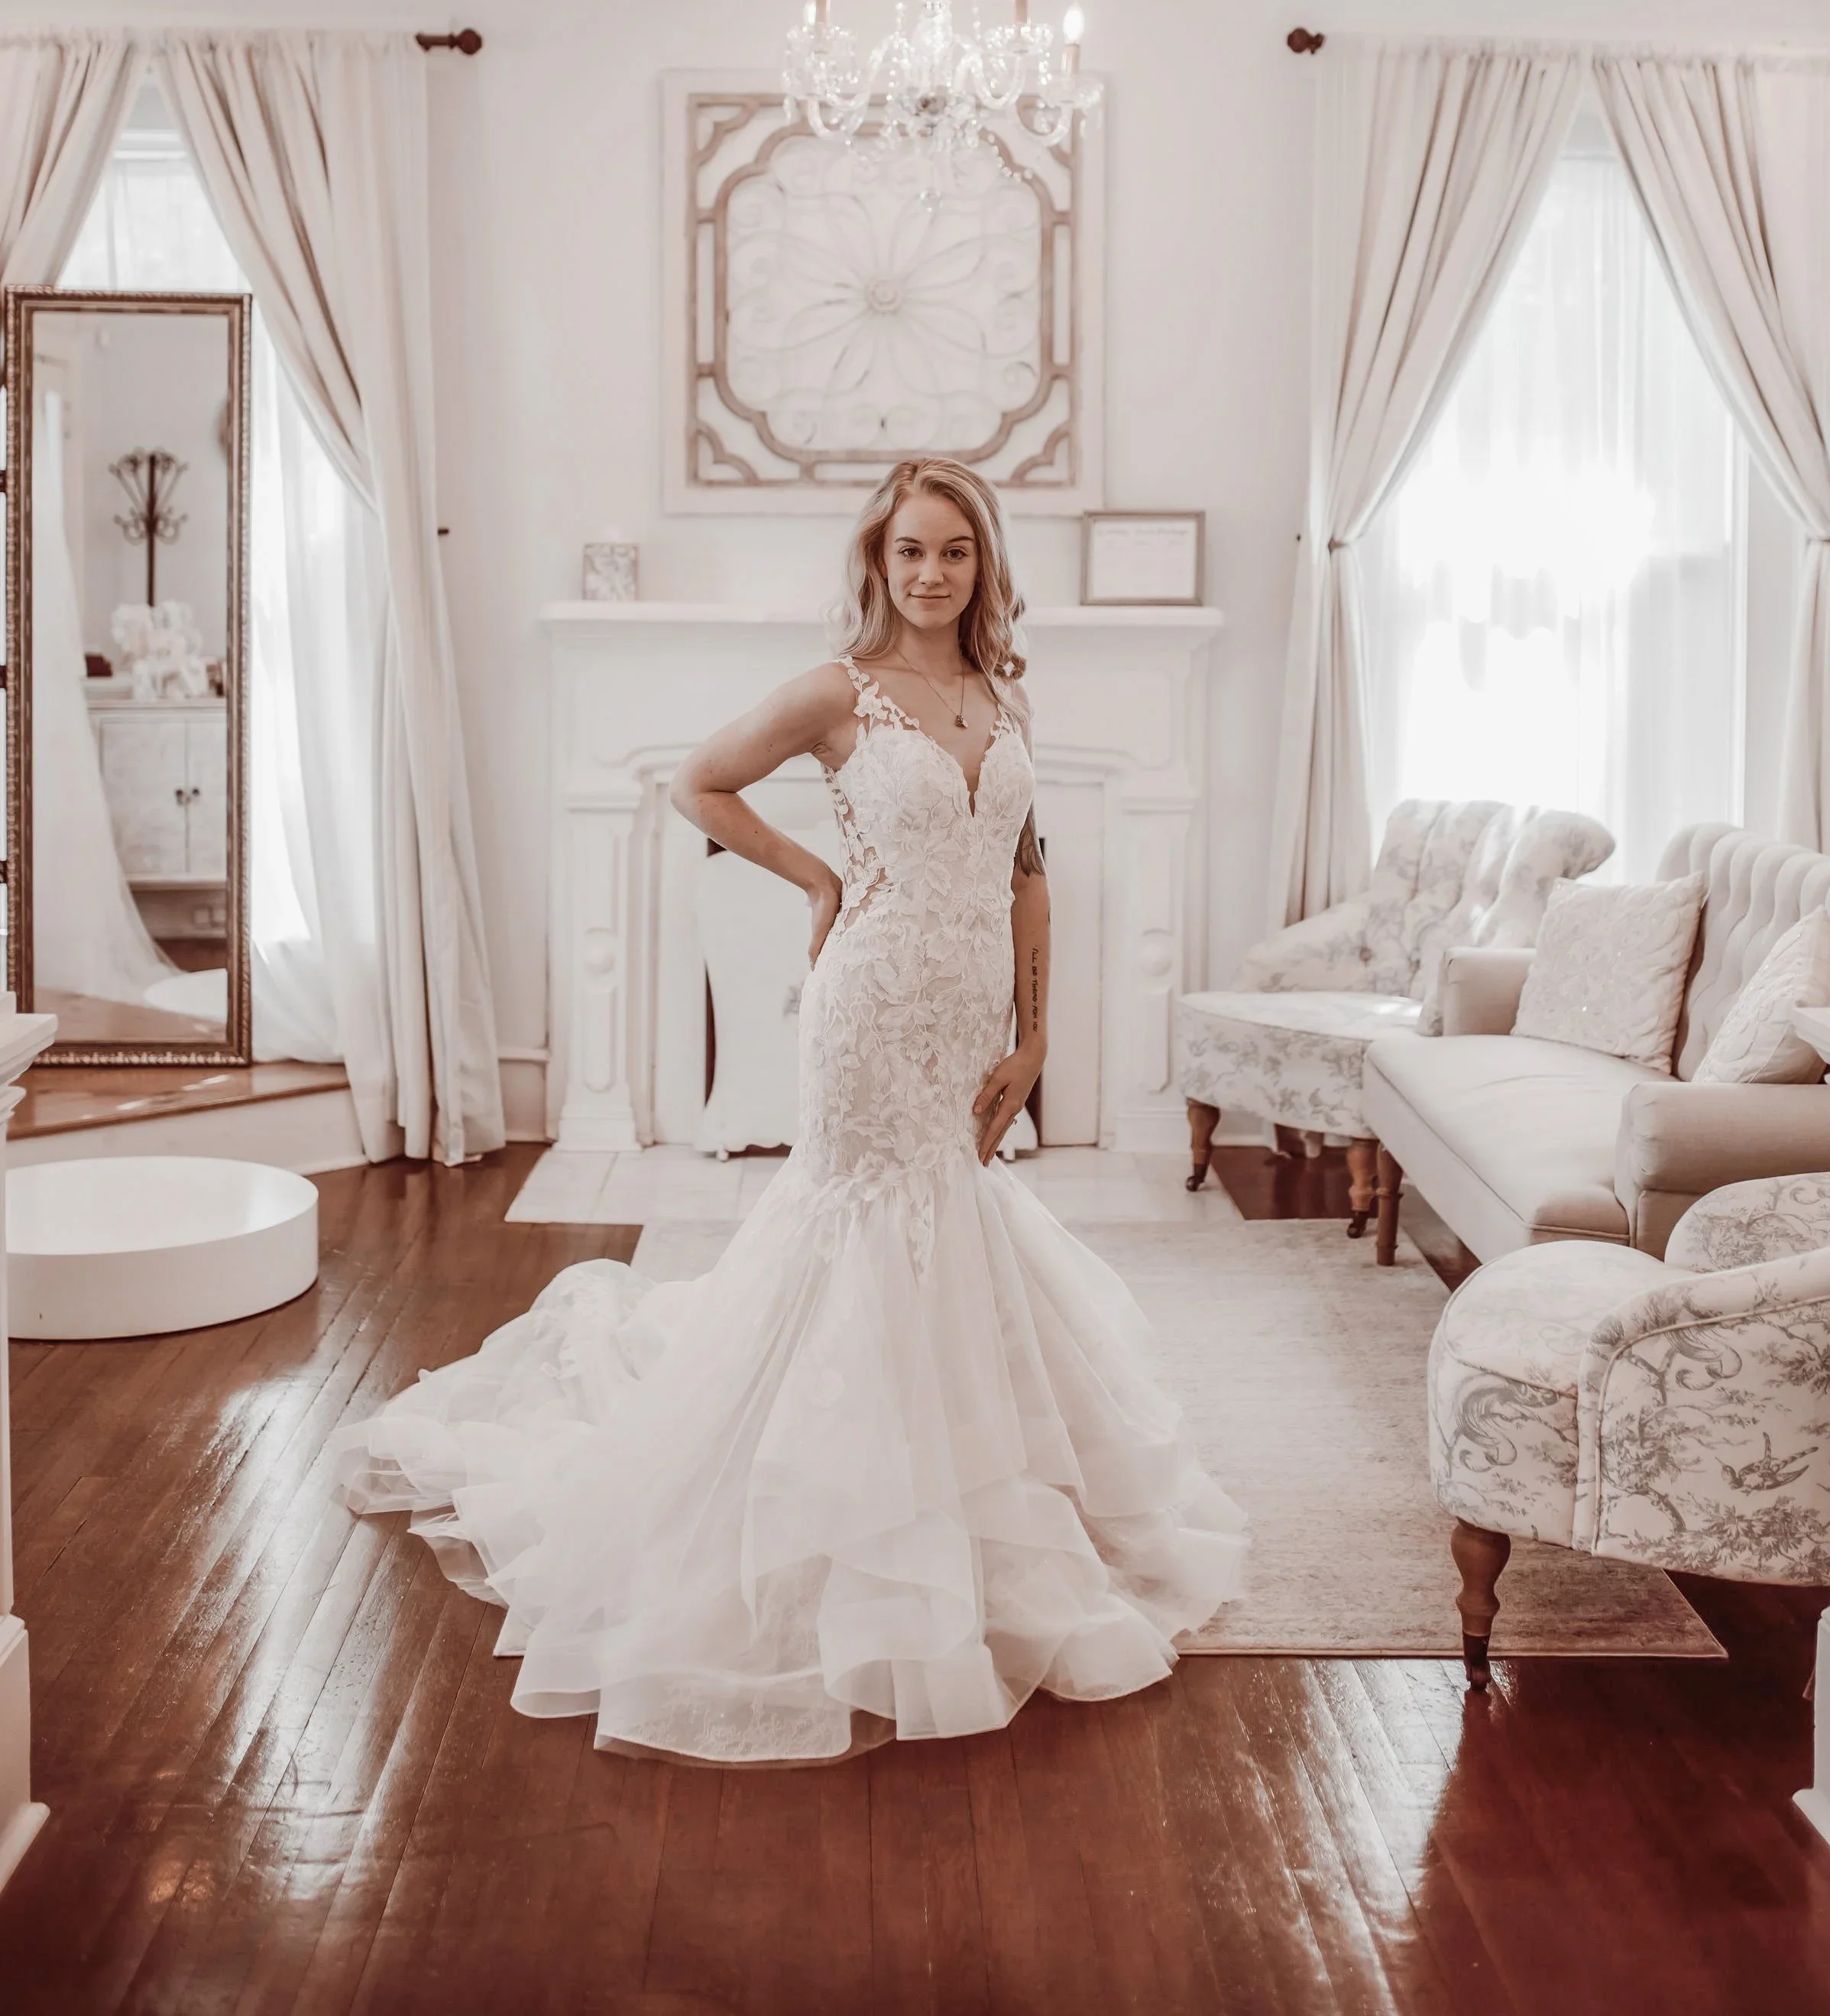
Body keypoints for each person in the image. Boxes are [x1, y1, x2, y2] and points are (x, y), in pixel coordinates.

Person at [334, 457, 1245, 1763]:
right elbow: (697, 781)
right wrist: (818, 877)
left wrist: (1036, 1035)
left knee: (958, 1220)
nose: (932, 574)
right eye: (910, 552)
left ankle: (976, 1505)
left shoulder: (1002, 695)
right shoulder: (839, 692)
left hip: (970, 1014)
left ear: (985, 567)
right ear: (877, 564)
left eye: (955, 553)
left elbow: (1029, 877)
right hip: (870, 1010)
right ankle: (854, 1532)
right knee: (865, 1226)